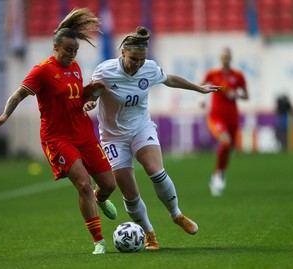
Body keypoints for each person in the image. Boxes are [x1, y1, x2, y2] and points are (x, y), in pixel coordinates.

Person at [0, 8, 117, 255]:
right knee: (82, 183)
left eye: (75, 51)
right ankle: (99, 241)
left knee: (108, 184)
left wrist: (91, 95)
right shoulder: (42, 71)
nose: (72, 55)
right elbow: (19, 94)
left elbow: (77, 98)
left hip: (83, 132)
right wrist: (6, 114)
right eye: (68, 50)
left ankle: (100, 198)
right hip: (57, 137)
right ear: (55, 47)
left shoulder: (75, 68)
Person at [83, 26, 220, 250]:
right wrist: (89, 103)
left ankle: (177, 215)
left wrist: (198, 88)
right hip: (113, 138)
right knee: (130, 192)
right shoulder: (105, 71)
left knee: (156, 171)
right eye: (134, 59)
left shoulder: (149, 68)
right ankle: (149, 234)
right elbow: (93, 94)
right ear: (123, 52)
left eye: (142, 59)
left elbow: (170, 79)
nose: (138, 64)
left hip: (140, 128)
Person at [201, 47, 249, 196]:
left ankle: (217, 174)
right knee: (225, 142)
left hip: (232, 117)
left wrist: (237, 95)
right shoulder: (213, 74)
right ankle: (219, 175)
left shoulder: (238, 76)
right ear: (220, 58)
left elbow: (246, 96)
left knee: (229, 148)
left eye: (227, 55)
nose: (225, 58)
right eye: (223, 55)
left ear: (231, 57)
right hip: (216, 116)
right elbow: (201, 86)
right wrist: (201, 99)